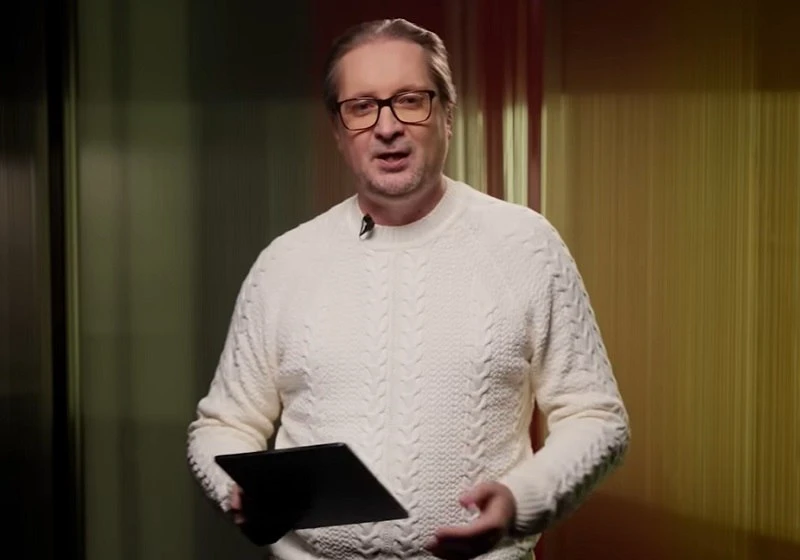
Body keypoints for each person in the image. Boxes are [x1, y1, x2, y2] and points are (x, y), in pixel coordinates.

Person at [187, 17, 630, 560]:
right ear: (338, 131)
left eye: (410, 100)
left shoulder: (526, 245)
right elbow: (223, 424)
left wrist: (522, 500)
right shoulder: (284, 263)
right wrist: (236, 491)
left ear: (448, 114)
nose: (387, 126)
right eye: (361, 107)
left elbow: (596, 418)